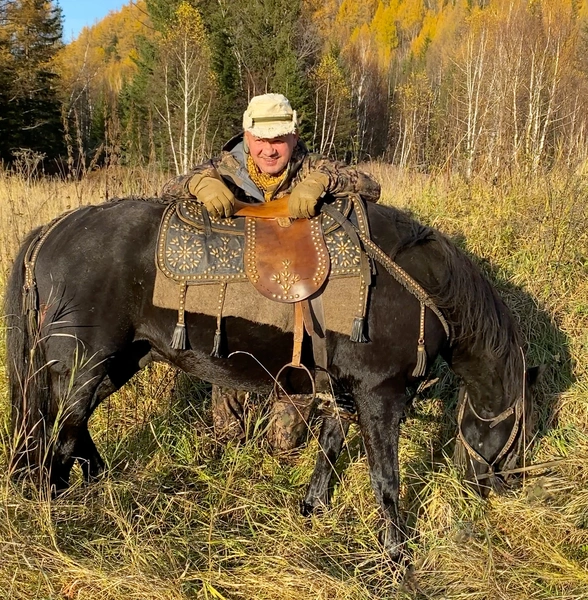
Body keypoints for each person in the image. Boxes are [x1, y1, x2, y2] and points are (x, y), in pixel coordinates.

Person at [162, 93, 381, 444]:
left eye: (278, 140)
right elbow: (166, 189)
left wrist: (323, 182)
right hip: (238, 306)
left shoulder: (313, 166)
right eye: (261, 140)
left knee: (285, 442)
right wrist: (197, 184)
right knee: (228, 431)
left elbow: (370, 185)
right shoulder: (224, 168)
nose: (269, 149)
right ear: (247, 136)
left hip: (296, 308)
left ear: (294, 137)